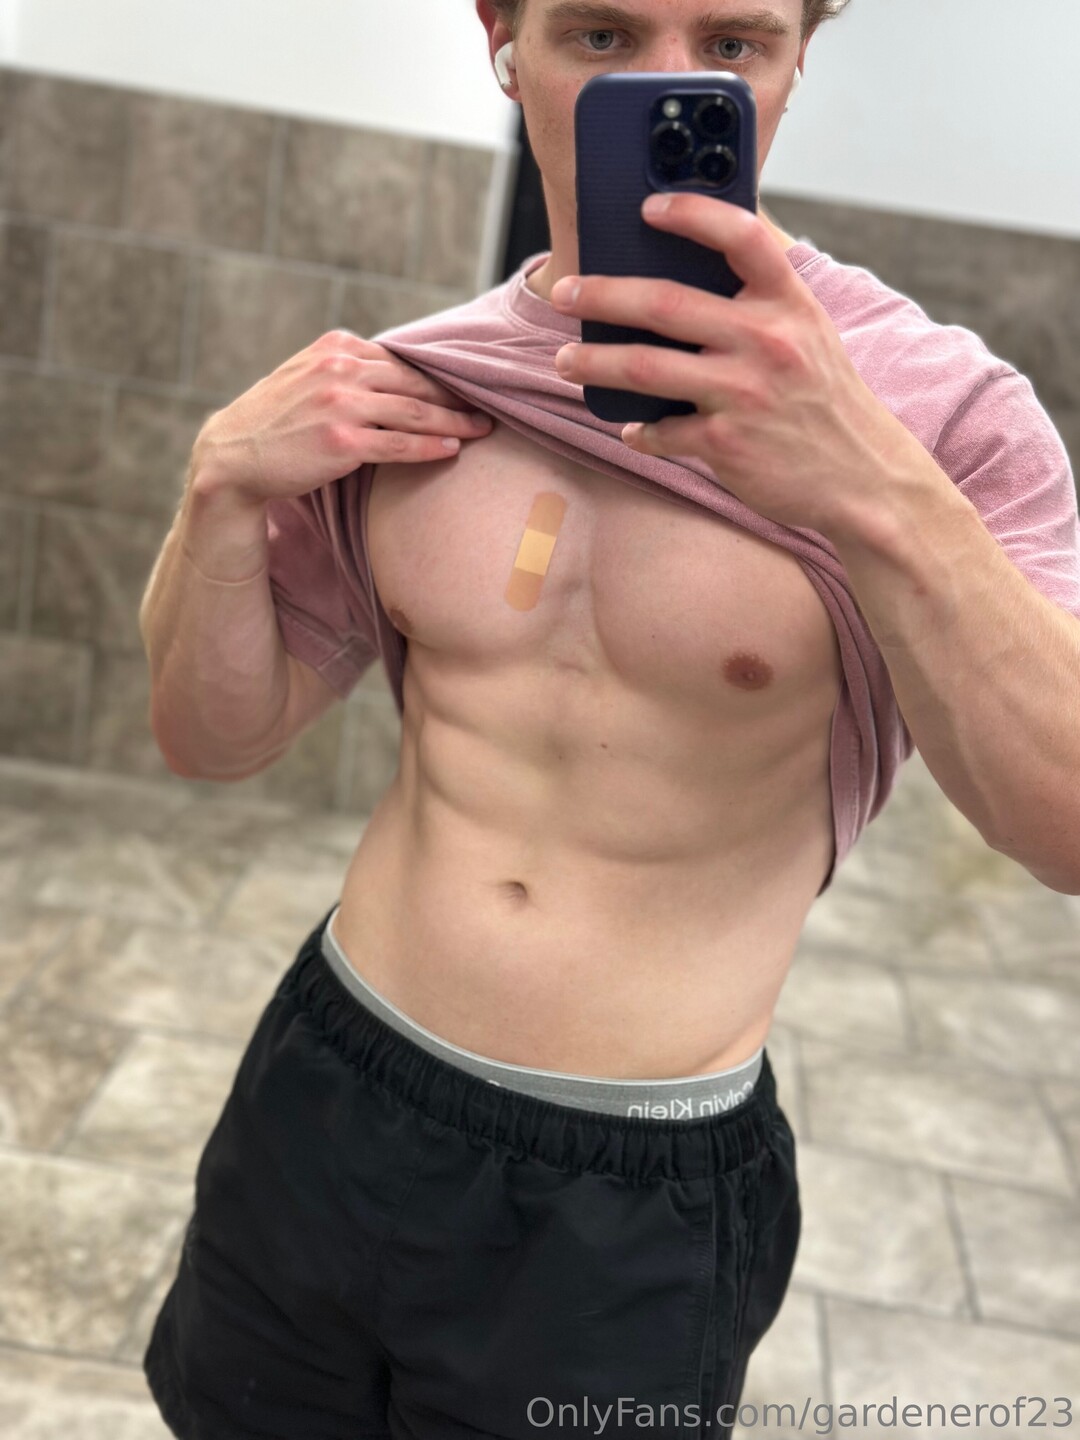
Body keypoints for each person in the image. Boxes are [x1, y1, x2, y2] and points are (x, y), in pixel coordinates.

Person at [140, 1, 1080, 1436]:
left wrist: (872, 488)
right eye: (597, 34)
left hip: (629, 1190)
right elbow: (213, 741)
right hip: (331, 1084)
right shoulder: (424, 381)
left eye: (732, 45)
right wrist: (217, 488)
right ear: (504, 40)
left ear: (799, 59)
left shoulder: (943, 421)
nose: (665, 87)